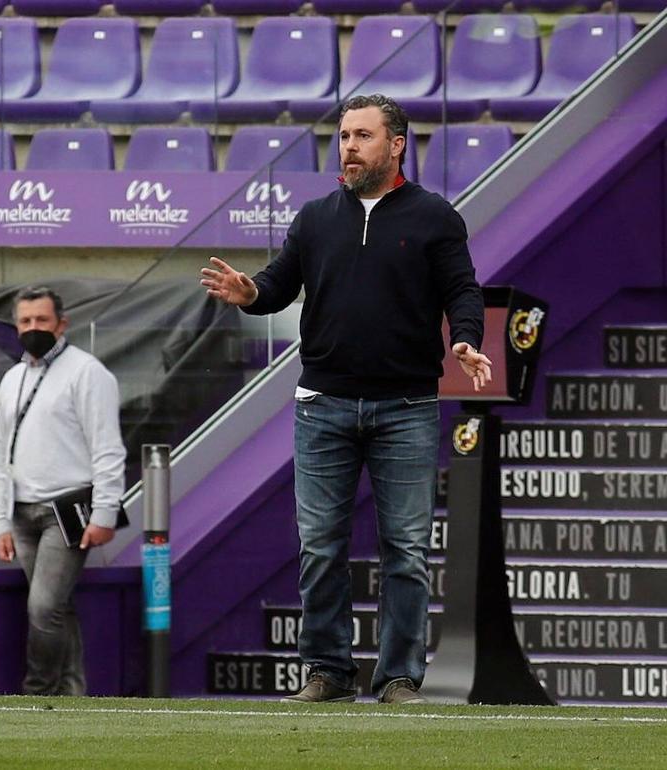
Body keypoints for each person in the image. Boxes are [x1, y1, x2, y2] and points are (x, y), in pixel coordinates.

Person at [200, 94, 493, 705]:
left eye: (363, 135)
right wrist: (249, 290)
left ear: (396, 144)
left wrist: (465, 340)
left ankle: (398, 678)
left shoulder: (436, 216)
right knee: (320, 547)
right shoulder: (314, 217)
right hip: (322, 406)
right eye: (344, 135)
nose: (350, 146)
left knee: (406, 551)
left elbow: (462, 291)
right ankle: (328, 672)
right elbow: (277, 286)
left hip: (407, 408)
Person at [0, 287, 126, 696]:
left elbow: (107, 447)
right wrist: (0, 519)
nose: (33, 328)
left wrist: (104, 513)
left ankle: (38, 691)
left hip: (65, 511)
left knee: (43, 607)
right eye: (25, 321)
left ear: (61, 324)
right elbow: (1, 452)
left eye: (42, 321)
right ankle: (72, 694)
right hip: (21, 511)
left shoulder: (88, 373)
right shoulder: (12, 378)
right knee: (56, 607)